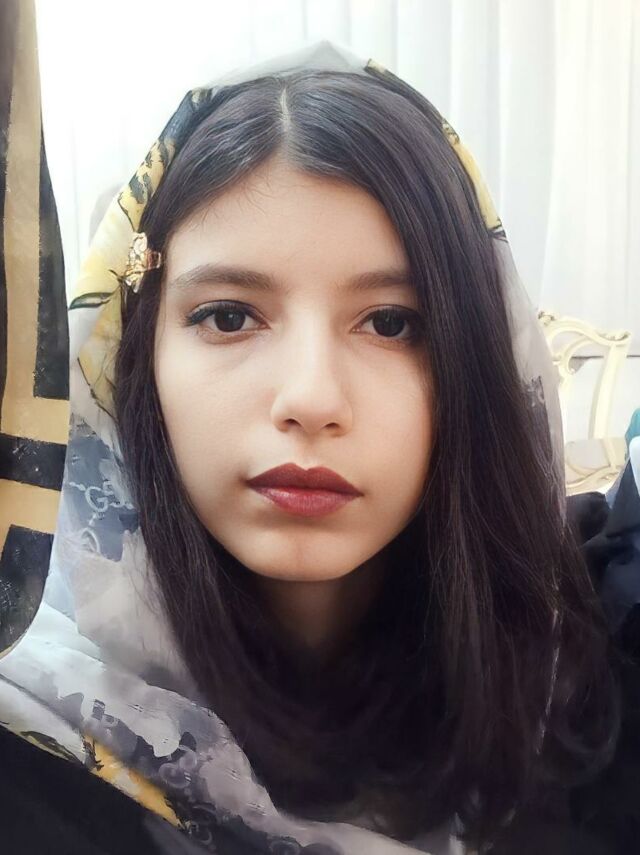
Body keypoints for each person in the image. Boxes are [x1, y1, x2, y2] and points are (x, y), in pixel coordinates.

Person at [1, 39, 639, 855]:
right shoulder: (39, 726)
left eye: (391, 323)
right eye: (229, 316)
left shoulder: (580, 647)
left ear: (478, 359)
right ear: (135, 356)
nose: (310, 398)